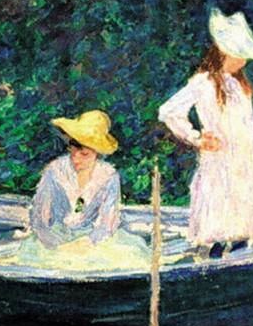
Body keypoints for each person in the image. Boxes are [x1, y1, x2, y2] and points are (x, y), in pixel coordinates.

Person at [158, 8, 253, 258]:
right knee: (220, 227)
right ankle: (215, 262)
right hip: (221, 164)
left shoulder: (238, 86)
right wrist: (197, 138)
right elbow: (168, 111)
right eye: (240, 55)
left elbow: (247, 130)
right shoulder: (203, 82)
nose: (244, 61)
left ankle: (236, 258)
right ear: (224, 52)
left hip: (244, 165)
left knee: (242, 231)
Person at [15, 110, 151, 271]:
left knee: (123, 258)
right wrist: (55, 245)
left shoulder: (108, 176)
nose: (76, 158)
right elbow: (39, 218)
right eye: (72, 150)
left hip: (92, 241)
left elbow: (107, 222)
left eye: (84, 154)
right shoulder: (55, 171)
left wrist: (87, 242)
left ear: (96, 152)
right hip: (55, 238)